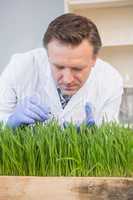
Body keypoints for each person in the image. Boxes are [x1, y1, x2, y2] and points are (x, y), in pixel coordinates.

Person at [0, 13, 123, 129]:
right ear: (47, 55)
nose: (67, 79)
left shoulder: (111, 80)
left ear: (94, 59)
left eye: (77, 68)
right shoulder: (20, 67)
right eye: (59, 67)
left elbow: (109, 132)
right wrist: (9, 122)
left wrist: (95, 138)